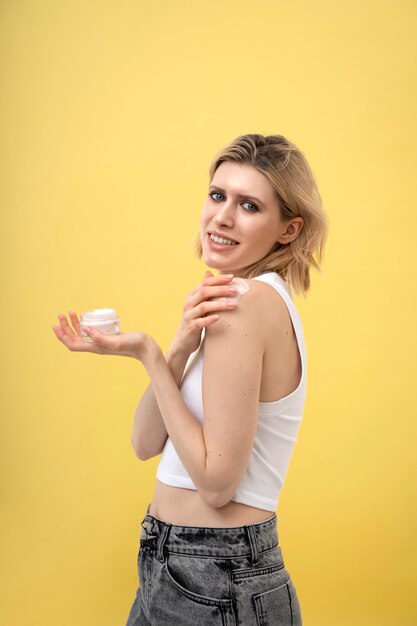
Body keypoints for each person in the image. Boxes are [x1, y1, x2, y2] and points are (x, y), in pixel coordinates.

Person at [52, 133, 328, 625]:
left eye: (249, 205)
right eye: (218, 195)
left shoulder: (243, 305)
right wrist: (177, 346)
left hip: (214, 573)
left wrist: (152, 356)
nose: (222, 217)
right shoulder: (239, 300)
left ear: (289, 229)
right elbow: (144, 443)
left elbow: (217, 484)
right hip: (179, 563)